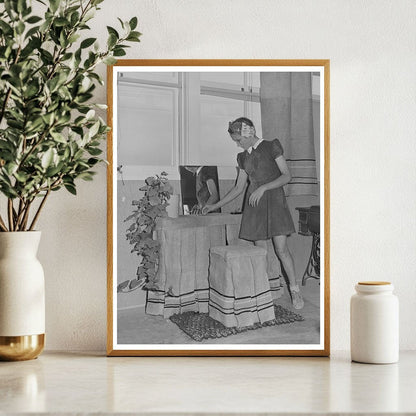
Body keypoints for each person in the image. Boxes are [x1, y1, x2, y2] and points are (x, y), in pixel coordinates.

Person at [203, 117, 304, 309]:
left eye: (239, 140)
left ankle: (295, 290)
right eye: (236, 141)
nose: (238, 144)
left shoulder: (271, 146)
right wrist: (214, 206)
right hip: (255, 207)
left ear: (248, 133)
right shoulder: (242, 158)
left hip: (275, 203)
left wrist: (263, 188)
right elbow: (238, 188)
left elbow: (286, 175)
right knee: (261, 253)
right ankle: (264, 292)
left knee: (281, 250)